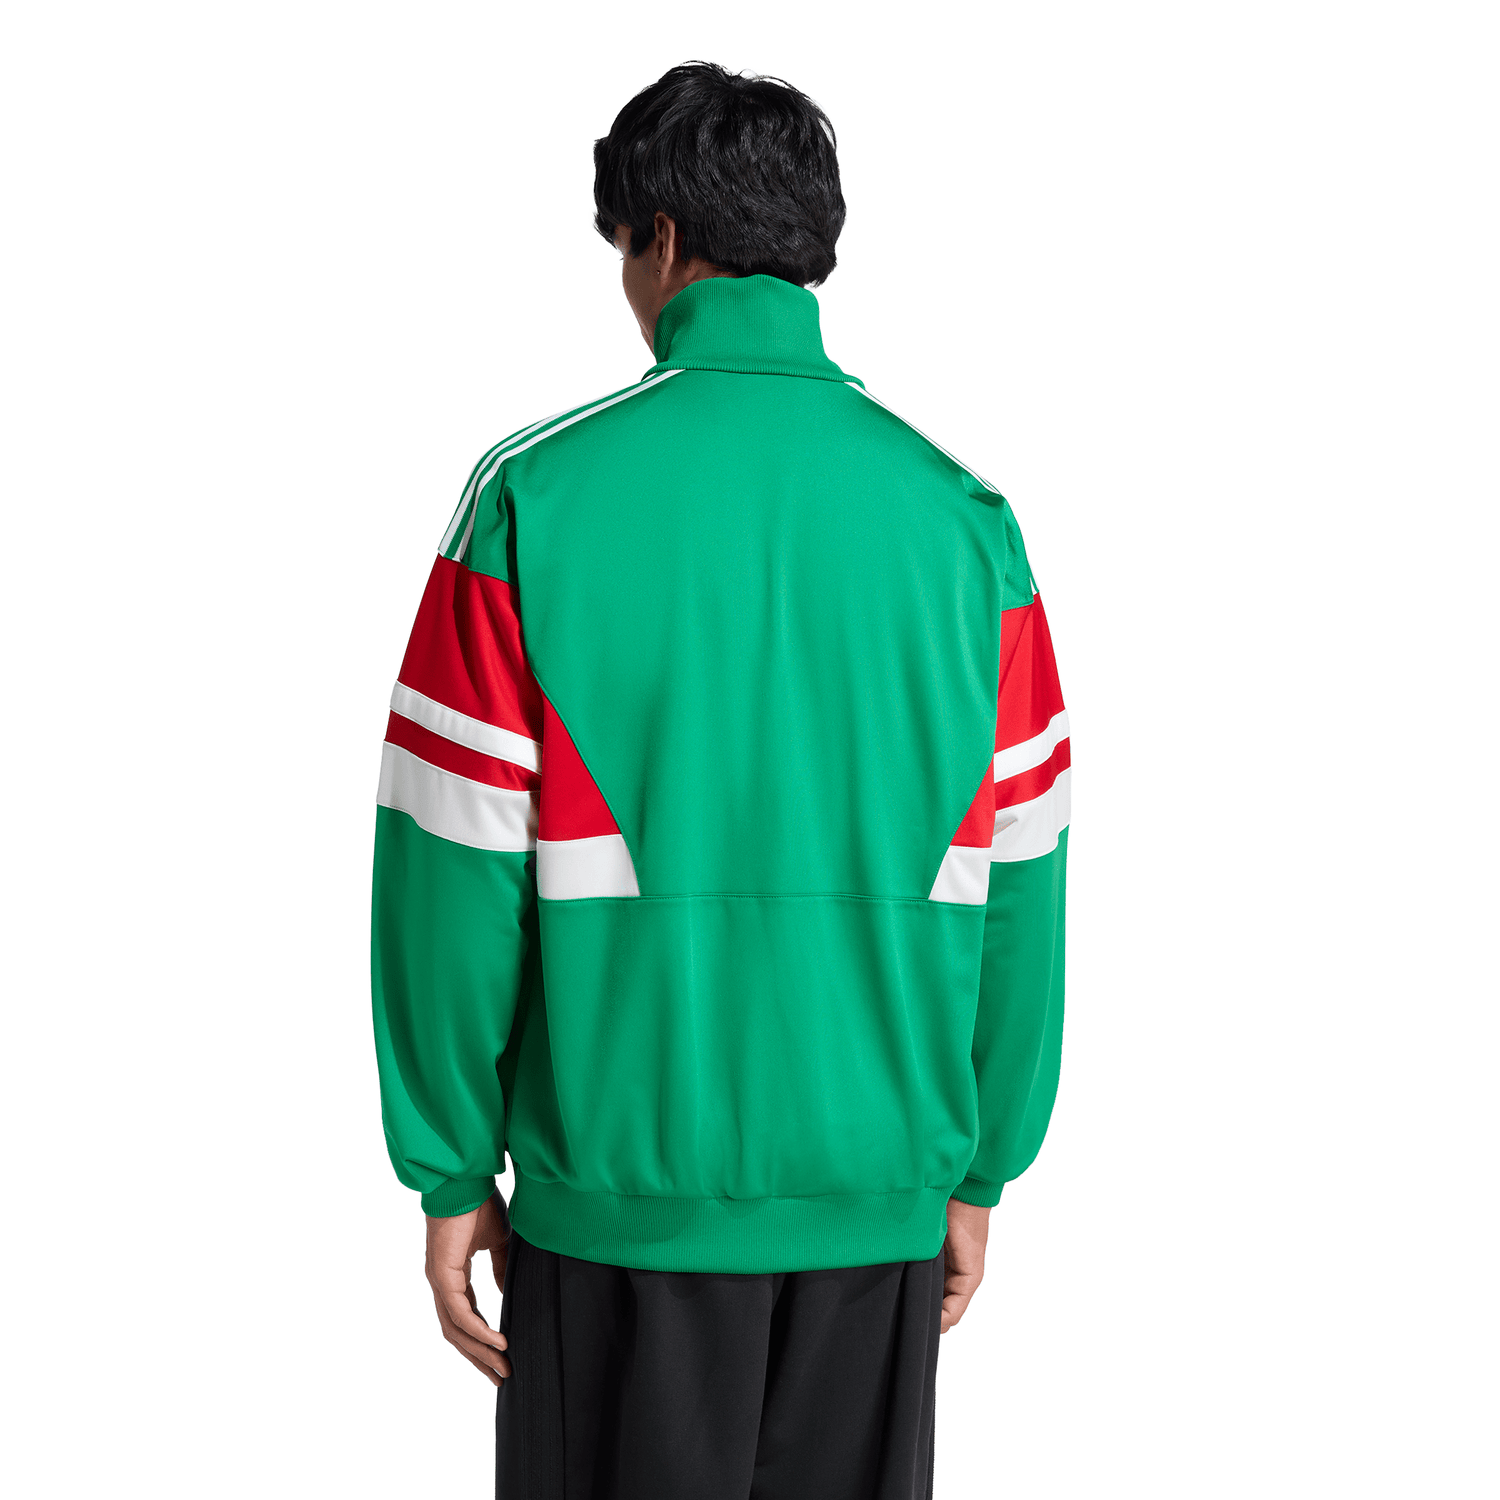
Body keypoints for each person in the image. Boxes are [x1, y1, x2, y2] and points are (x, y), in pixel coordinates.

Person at [370, 60, 1070, 1500]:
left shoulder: (532, 498)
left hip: (614, 1216)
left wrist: (447, 1168)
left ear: (666, 241)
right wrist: (979, 1168)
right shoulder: (966, 524)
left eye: (625, 252)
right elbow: (1025, 882)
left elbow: (448, 863)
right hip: (878, 1207)